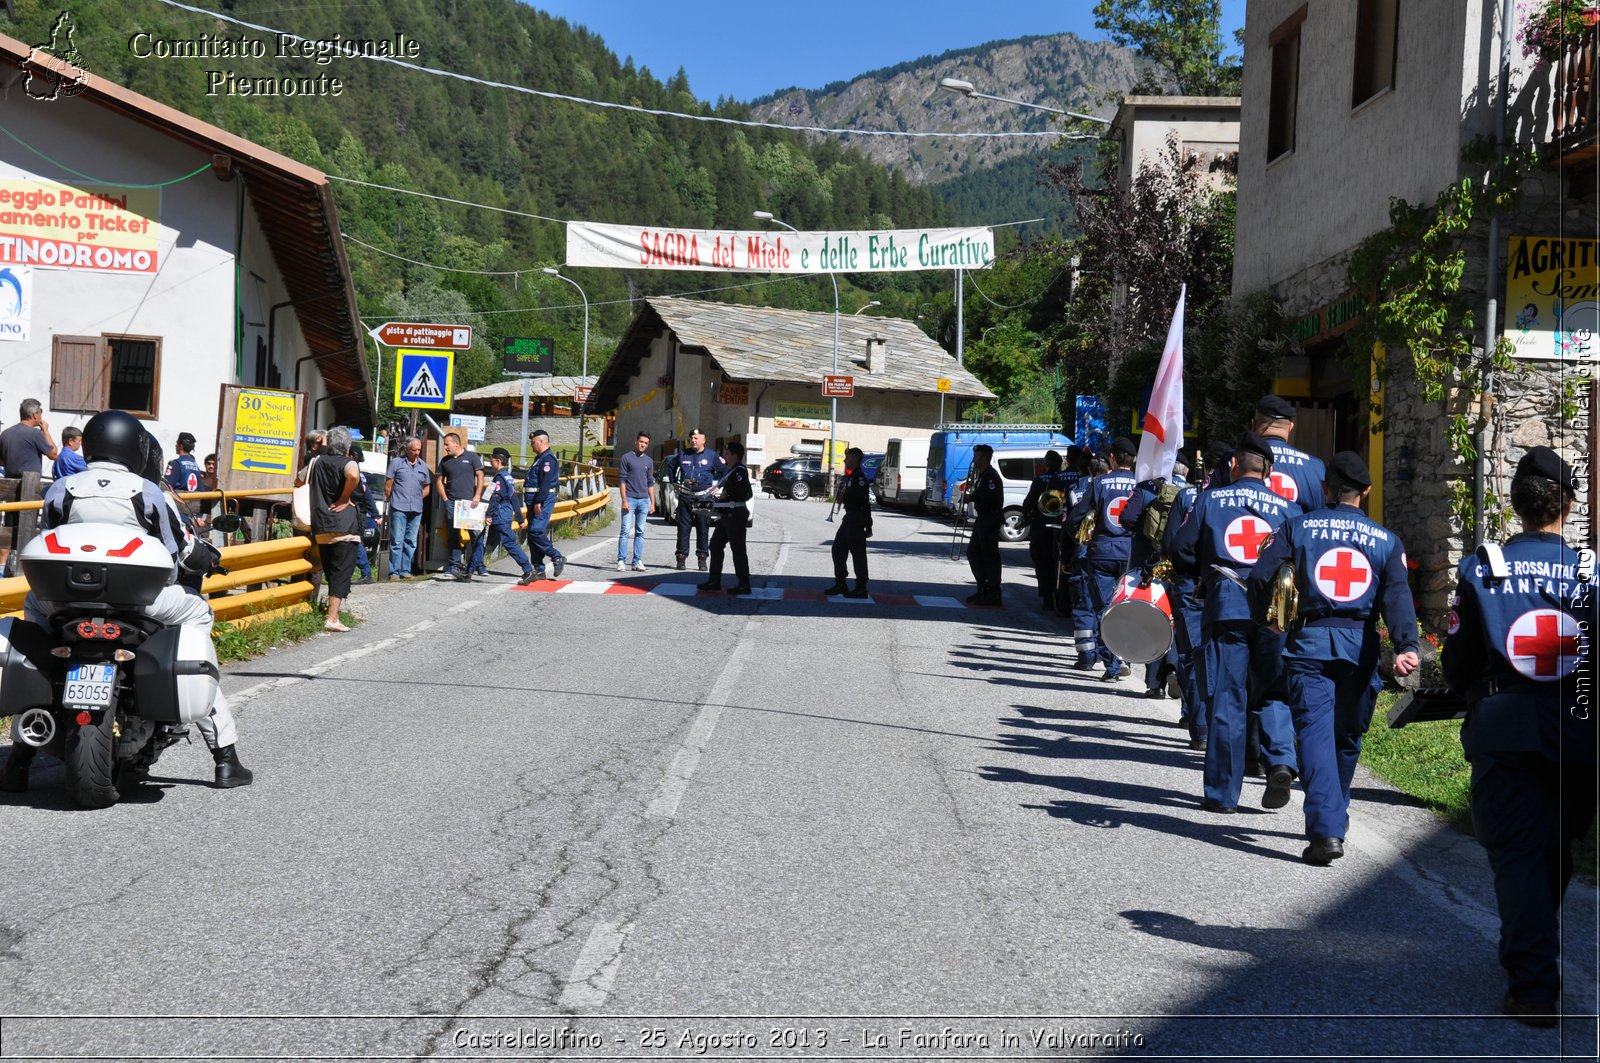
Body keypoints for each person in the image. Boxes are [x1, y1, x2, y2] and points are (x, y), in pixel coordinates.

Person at [0, 410, 252, 791]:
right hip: (139, 603)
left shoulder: (61, 487)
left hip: (66, 602)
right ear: (135, 447)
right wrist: (208, 559)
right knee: (196, 627)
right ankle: (225, 759)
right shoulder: (147, 491)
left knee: (39, 642)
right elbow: (180, 550)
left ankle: (19, 761)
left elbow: (48, 538)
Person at [1444, 446, 1595, 1027]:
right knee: (1554, 849)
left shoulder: (1485, 568)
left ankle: (1533, 985)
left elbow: (1458, 662)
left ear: (1516, 505)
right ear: (1570, 505)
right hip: (1580, 732)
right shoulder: (1591, 572)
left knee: (1519, 852)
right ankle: (1528, 952)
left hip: (1505, 725)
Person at [1249, 451, 1419, 866]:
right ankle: (1329, 823)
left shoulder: (1296, 527)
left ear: (1325, 488)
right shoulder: (1386, 539)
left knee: (1317, 735)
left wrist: (1269, 619)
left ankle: (1328, 826)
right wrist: (1407, 646)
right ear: (1367, 491)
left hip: (1309, 642)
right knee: (1346, 736)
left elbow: (1258, 576)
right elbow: (1396, 596)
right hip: (1359, 645)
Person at [1169, 432, 1301, 814]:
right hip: (1274, 613)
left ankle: (1223, 794)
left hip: (1226, 606)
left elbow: (1180, 549)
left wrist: (1202, 574)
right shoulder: (1289, 509)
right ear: (1270, 471)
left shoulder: (1209, 499)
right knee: (1273, 689)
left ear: (1233, 465)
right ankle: (1280, 760)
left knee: (1228, 698)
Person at [1066, 436, 1139, 681]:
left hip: (1102, 553)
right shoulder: (1142, 484)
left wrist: (1075, 535)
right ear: (1134, 460)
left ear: (1113, 458)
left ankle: (1112, 666)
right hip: (1131, 554)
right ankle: (1126, 656)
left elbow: (1076, 518)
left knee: (1104, 609)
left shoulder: (1100, 483)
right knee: (1128, 608)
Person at [297, 427, 362, 632]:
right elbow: (353, 475)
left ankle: (329, 612)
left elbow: (299, 480)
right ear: (347, 446)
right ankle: (332, 618)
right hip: (344, 526)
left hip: (321, 525)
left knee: (331, 571)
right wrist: (344, 497)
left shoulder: (315, 462)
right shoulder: (349, 462)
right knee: (342, 572)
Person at [1251, 395, 1326, 512]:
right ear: (1291, 427)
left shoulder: (1236, 460)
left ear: (1254, 424)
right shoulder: (1316, 466)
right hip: (1297, 530)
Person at [698, 440, 753, 595]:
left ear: (735, 455)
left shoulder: (739, 471)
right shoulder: (732, 471)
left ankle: (744, 583)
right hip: (727, 514)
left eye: (727, 454)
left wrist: (728, 494)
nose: (725, 457)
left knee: (738, 549)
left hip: (735, 514)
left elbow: (747, 493)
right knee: (715, 545)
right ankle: (714, 580)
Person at [1021, 450, 1070, 611]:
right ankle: (1061, 599)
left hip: (1042, 527)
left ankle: (1047, 599)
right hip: (1062, 527)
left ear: (1046, 463)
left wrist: (1026, 514)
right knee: (1059, 563)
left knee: (1042, 563)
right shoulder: (1067, 478)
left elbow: (1028, 503)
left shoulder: (1040, 479)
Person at [481, 448, 538, 585]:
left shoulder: (500, 477)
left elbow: (495, 498)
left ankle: (528, 569)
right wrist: (519, 518)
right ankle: (473, 567)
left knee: (509, 542)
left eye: (492, 459)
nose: (490, 462)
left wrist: (489, 514)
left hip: (500, 513)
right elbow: (513, 498)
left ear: (498, 461)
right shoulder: (508, 476)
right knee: (485, 541)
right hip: (505, 513)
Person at [435, 432, 485, 582]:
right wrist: (445, 498)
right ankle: (454, 565)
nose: (445, 447)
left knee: (475, 535)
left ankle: (479, 564)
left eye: (447, 444)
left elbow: (480, 476)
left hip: (470, 503)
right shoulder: (445, 461)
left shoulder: (471, 457)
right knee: (453, 534)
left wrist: (477, 496)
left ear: (456, 443)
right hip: (452, 503)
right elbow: (438, 480)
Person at [672, 428, 723, 570]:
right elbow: (671, 466)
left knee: (702, 529)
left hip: (703, 498)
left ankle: (702, 558)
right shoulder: (683, 454)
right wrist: (674, 483)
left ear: (703, 440)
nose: (693, 440)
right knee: (683, 529)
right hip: (686, 496)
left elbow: (725, 471)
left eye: (696, 438)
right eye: (691, 438)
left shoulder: (712, 455)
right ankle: (681, 558)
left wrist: (718, 486)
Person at [826, 447, 873, 598]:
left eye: (848, 458)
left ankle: (861, 587)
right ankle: (840, 583)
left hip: (856, 519)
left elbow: (863, 503)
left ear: (855, 460)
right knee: (838, 549)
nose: (845, 461)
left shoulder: (859, 479)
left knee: (858, 554)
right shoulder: (851, 477)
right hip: (849, 518)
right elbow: (843, 499)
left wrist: (868, 525)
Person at [964, 443, 1005, 605]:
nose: (974, 459)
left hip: (990, 519)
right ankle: (983, 588)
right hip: (982, 519)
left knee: (989, 556)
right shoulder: (981, 475)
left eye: (977, 456)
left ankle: (994, 592)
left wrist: (974, 498)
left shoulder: (990, 476)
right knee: (973, 552)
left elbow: (993, 499)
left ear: (985, 458)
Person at [385, 436, 430, 580]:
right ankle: (394, 572)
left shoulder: (423, 466)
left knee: (411, 541)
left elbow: (427, 488)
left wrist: (416, 498)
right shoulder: (396, 463)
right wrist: (396, 499)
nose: (417, 452)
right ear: (406, 449)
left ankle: (405, 570)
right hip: (399, 507)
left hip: (416, 509)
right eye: (413, 450)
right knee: (397, 541)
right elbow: (388, 486)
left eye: (419, 449)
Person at [523, 429, 565, 579]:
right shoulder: (539, 458)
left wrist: (539, 501)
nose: (531, 445)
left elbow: (546, 483)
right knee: (532, 535)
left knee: (536, 531)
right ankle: (539, 568)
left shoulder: (548, 459)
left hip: (543, 499)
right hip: (533, 499)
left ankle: (556, 556)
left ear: (541, 441)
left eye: (533, 442)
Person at [616, 430, 657, 571]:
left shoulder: (649, 461)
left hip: (644, 500)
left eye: (646, 443)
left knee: (640, 531)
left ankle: (636, 561)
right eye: (641, 442)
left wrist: (653, 502)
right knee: (625, 530)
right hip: (630, 499)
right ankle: (621, 560)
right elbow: (622, 480)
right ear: (636, 441)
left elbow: (650, 483)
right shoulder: (626, 458)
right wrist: (624, 500)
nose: (643, 445)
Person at [349, 444, 382, 585]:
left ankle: (366, 573)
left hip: (354, 513)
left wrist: (376, 515)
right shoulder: (359, 474)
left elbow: (366, 496)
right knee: (354, 542)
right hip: (359, 513)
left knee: (354, 541)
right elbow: (368, 496)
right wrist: (376, 514)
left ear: (350, 456)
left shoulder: (354, 474)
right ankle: (364, 573)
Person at [0, 398, 59, 476]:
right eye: (40, 412)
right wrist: (45, 431)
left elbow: (1, 461)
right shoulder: (35, 434)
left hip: (8, 482)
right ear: (35, 414)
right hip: (29, 484)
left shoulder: (5, 434)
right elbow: (53, 454)